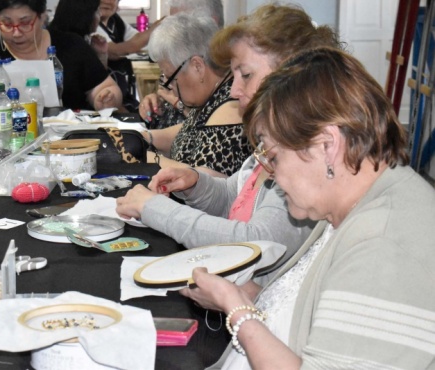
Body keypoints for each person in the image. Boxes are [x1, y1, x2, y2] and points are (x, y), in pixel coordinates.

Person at [181, 47, 435, 369]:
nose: (270, 175)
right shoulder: (349, 205)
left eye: (274, 157)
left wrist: (236, 309)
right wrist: (250, 295)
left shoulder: (383, 247)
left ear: (327, 146)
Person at [117, 4, 339, 280]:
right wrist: (195, 183)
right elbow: (234, 196)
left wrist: (153, 208)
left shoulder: (306, 155)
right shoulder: (272, 141)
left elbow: (255, 241)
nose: (233, 90)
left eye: (245, 75)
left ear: (293, 76)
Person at [0, 0, 122, 113]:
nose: (16, 33)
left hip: (68, 143)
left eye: (24, 23)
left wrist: (105, 98)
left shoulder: (72, 47)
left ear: (42, 17)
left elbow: (105, 87)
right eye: (7, 24)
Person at [140, 13, 246, 176]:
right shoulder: (213, 95)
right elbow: (187, 135)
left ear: (197, 66)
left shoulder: (231, 107)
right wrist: (141, 138)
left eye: (171, 78)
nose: (170, 87)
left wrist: (144, 157)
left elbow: (206, 181)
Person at [140, 0, 224, 130]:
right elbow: (165, 94)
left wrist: (178, 104)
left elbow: (206, 130)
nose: (171, 30)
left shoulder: (225, 69)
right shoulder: (178, 58)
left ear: (211, 22)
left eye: (182, 22)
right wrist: (155, 102)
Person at [96, 0, 162, 112]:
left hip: (123, 93)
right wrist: (155, 28)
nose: (106, 1)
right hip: (103, 95)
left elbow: (137, 40)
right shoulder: (91, 24)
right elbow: (116, 50)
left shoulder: (116, 21)